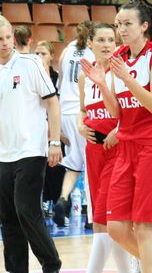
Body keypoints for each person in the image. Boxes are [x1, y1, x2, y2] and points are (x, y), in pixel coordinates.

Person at [81, 2, 152, 273]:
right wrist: (103, 84)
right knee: (116, 227)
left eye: (127, 24)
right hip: (127, 145)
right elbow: (116, 110)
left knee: (144, 226)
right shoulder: (119, 55)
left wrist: (128, 79)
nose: (121, 29)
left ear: (144, 26)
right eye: (118, 24)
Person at [0, 14, 62, 273]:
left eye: (7, 37)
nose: (4, 43)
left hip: (31, 151)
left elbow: (52, 101)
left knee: (26, 210)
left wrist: (55, 141)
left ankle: (51, 264)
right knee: (9, 219)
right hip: (3, 155)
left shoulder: (30, 63)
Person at [78, 23, 131, 273]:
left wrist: (119, 130)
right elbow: (83, 110)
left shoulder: (122, 71)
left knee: (105, 220)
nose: (107, 44)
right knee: (110, 221)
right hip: (93, 151)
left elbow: (125, 112)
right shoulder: (83, 75)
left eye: (111, 39)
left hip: (117, 151)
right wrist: (80, 124)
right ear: (90, 44)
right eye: (101, 39)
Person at [53, 20, 95, 228]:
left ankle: (62, 199)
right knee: (91, 162)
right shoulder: (94, 52)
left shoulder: (67, 50)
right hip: (83, 110)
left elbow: (60, 81)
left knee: (74, 161)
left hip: (65, 111)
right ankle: (90, 214)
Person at [34, 40, 66, 216]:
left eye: (43, 53)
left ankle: (56, 202)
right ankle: (43, 201)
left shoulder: (58, 78)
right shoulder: (31, 74)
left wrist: (58, 132)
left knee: (56, 166)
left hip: (54, 128)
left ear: (52, 56)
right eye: (37, 53)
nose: (39, 57)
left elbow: (58, 105)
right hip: (36, 128)